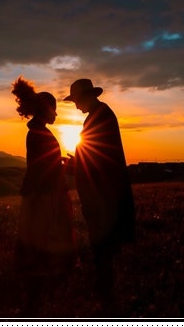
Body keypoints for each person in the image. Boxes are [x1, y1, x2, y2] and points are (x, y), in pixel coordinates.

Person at [64, 78, 136, 311]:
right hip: (104, 191)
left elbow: (95, 156)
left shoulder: (99, 117)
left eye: (76, 100)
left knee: (102, 243)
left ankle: (107, 296)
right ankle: (106, 291)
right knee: (104, 244)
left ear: (85, 97)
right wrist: (77, 161)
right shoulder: (100, 114)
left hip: (103, 194)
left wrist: (74, 164)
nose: (76, 106)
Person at [11, 76, 77, 316]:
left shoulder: (38, 132)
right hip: (44, 196)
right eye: (54, 110)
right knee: (44, 238)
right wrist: (68, 167)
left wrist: (61, 165)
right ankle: (37, 294)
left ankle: (38, 290)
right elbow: (44, 169)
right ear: (45, 110)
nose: (56, 114)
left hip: (40, 194)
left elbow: (43, 165)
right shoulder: (40, 134)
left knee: (39, 238)